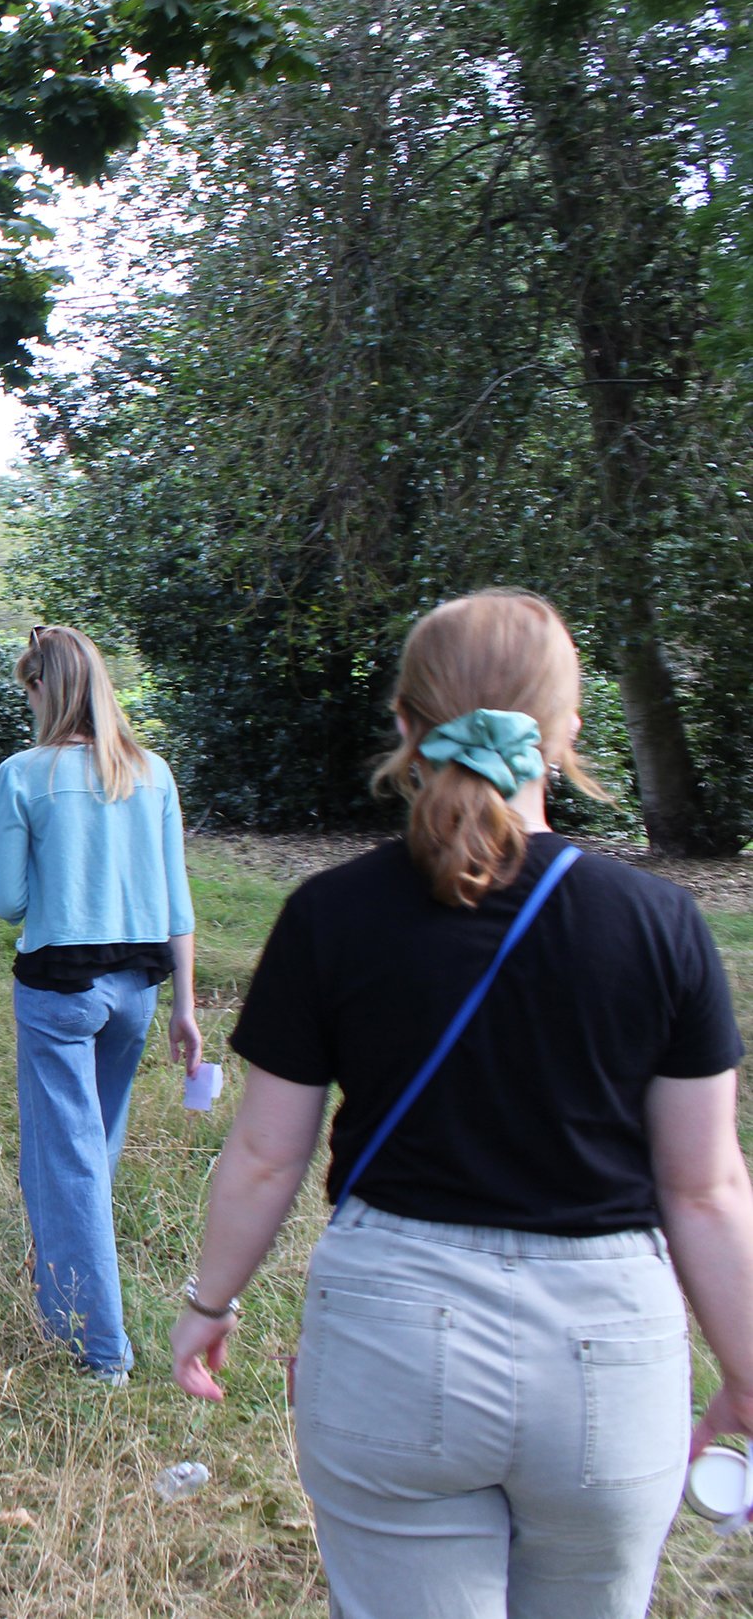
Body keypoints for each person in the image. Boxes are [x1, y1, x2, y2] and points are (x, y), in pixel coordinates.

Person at [171, 590, 753, 1619]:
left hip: (392, 1332)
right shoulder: (661, 921)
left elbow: (266, 1156)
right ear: (565, 729)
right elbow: (703, 1185)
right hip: (611, 1356)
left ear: (402, 723)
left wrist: (207, 1302)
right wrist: (746, 1369)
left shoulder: (328, 914)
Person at [0, 624, 200, 1383]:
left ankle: (99, 1350)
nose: (28, 701)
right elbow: (178, 903)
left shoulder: (23, 773)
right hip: (140, 992)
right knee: (93, 1151)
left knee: (68, 1160)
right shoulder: (153, 773)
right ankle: (62, 1284)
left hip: (59, 991)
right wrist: (188, 1006)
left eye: (29, 687)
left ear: (47, 687)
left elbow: (8, 902)